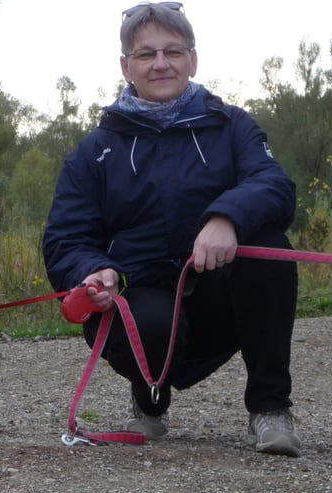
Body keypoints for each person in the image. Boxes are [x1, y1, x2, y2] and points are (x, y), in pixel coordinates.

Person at [42, 2, 301, 457]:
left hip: (222, 289)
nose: (161, 64)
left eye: (172, 52)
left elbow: (275, 184)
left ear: (193, 59)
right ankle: (149, 401)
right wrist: (93, 269)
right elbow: (65, 236)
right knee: (149, 324)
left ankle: (270, 409)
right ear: (126, 66)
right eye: (146, 55)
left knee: (269, 250)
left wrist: (226, 218)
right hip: (141, 297)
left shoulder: (233, 125)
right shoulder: (94, 150)